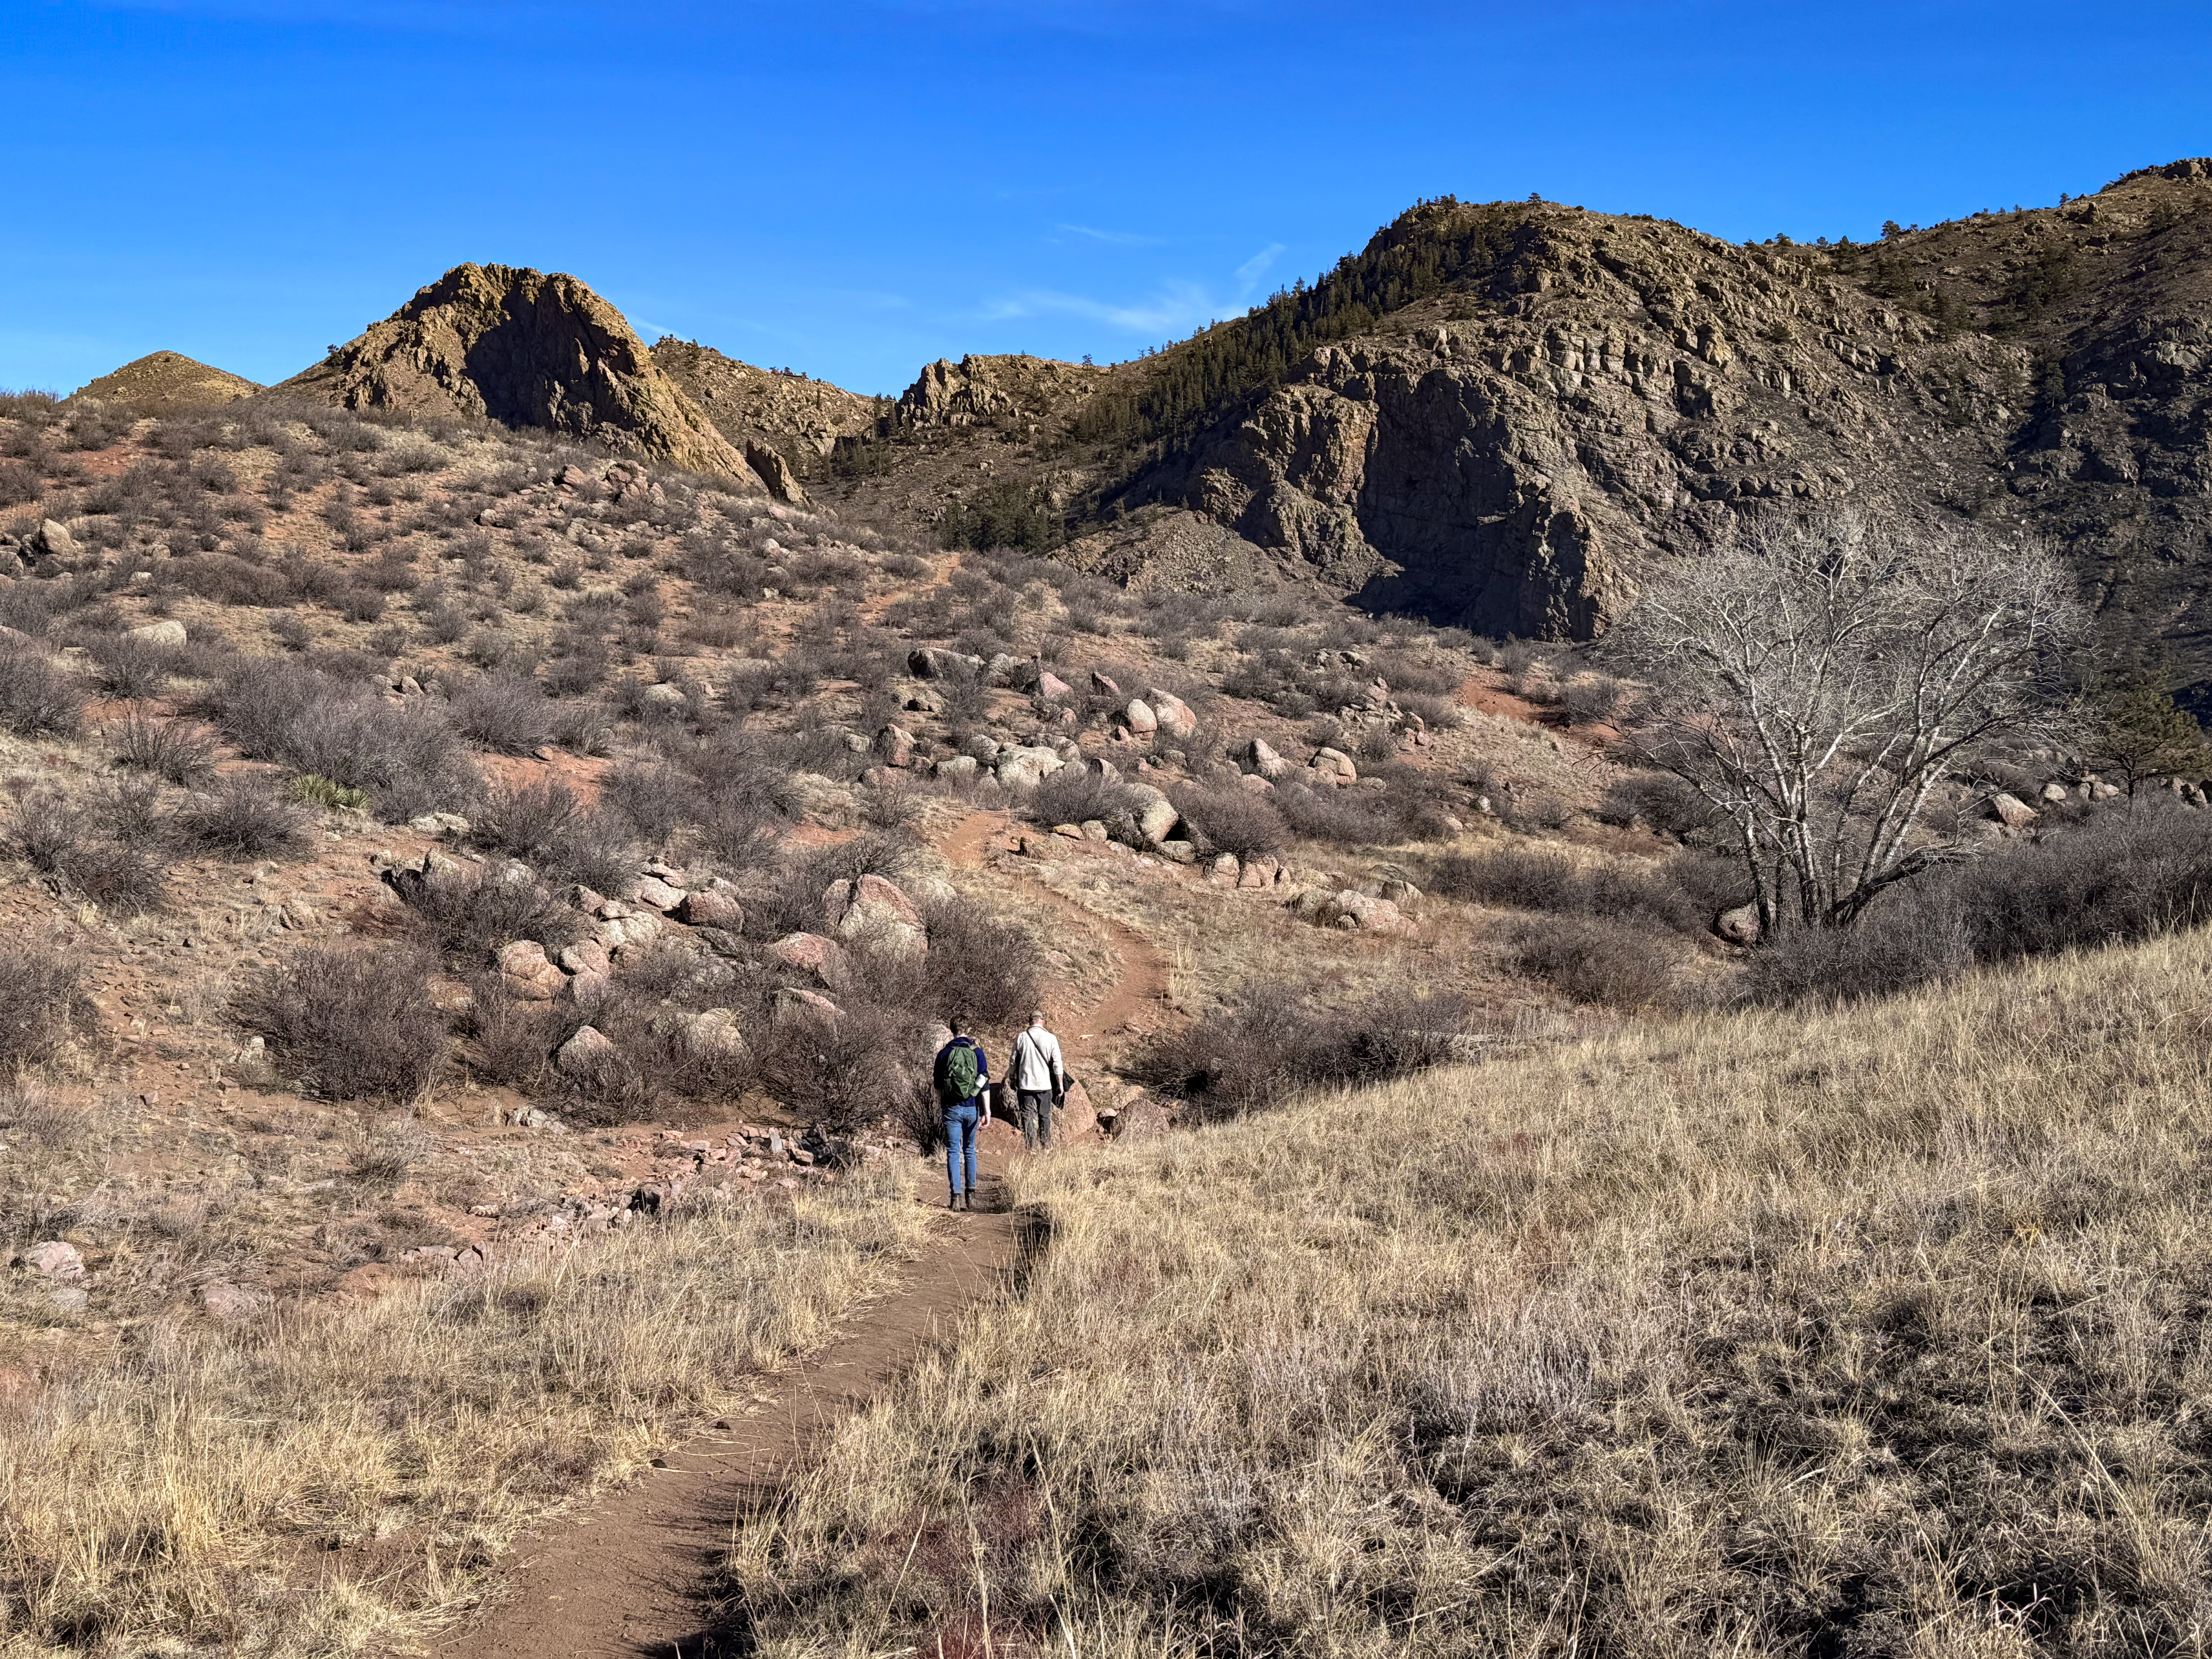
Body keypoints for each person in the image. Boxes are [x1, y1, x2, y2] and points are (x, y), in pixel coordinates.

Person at [932, 1018, 990, 1209]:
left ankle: (955, 1197)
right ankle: (971, 1196)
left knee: (952, 1152)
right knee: (970, 1151)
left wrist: (943, 1104)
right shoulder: (978, 1053)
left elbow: (938, 1086)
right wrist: (987, 1110)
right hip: (972, 1108)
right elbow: (984, 1083)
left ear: (952, 1030)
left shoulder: (944, 1054)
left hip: (951, 1109)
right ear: (969, 1029)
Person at [1008, 1007, 1066, 1151]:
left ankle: (1031, 1147)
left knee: (1027, 1116)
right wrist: (1060, 1084)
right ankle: (1046, 1147)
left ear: (1030, 1022)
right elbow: (1057, 1063)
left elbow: (1013, 1060)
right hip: (1045, 1086)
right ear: (1042, 1021)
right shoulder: (1051, 1038)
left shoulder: (1022, 1037)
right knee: (1045, 1116)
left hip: (1026, 1085)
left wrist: (1012, 1077)